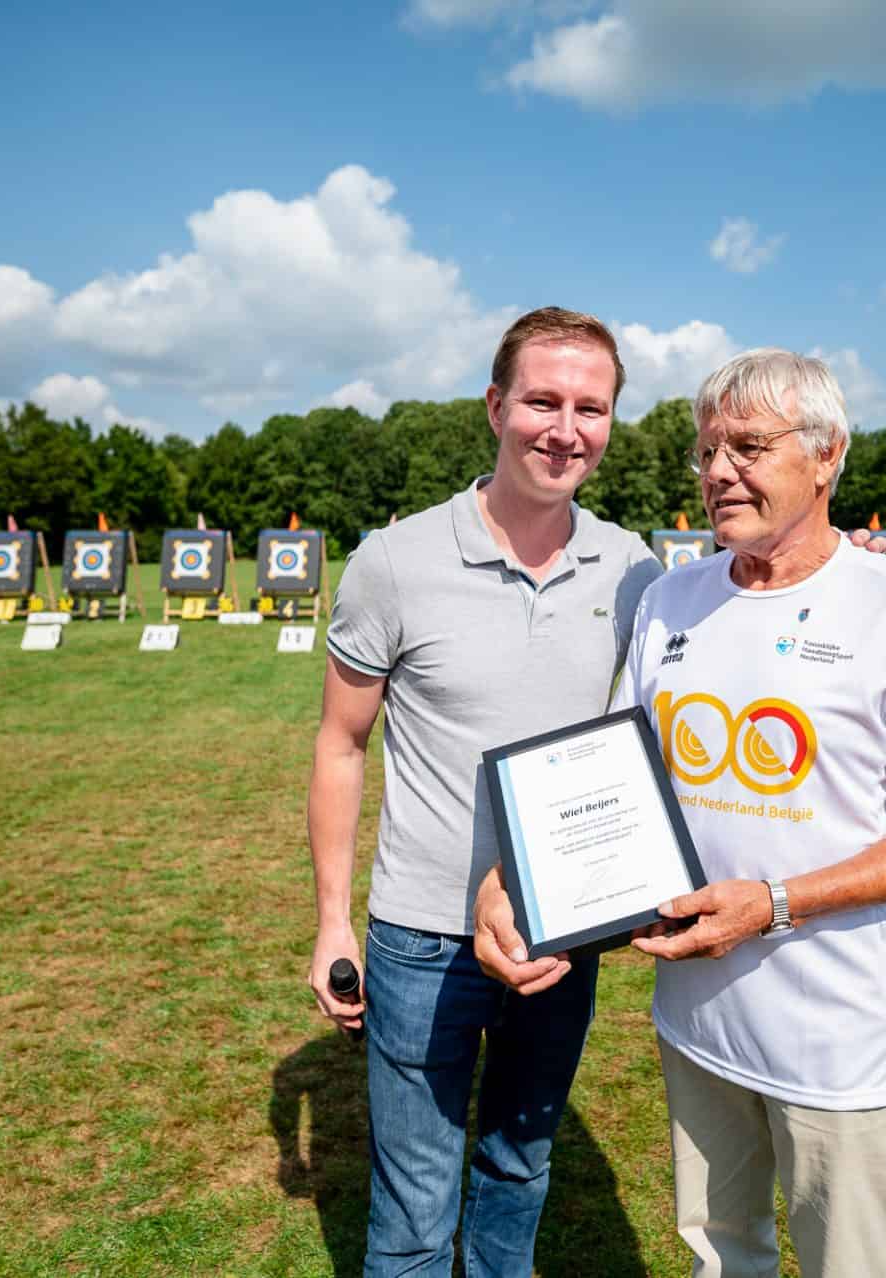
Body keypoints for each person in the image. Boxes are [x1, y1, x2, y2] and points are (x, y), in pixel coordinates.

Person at [475, 349, 886, 1278]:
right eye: (707, 450)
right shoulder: (673, 600)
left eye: (748, 447)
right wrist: (517, 879)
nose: (719, 471)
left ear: (828, 455)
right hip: (696, 1024)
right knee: (721, 1259)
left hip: (831, 1039)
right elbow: (608, 772)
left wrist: (776, 902)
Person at [306, 307, 663, 1277]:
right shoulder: (396, 560)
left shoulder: (637, 570)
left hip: (561, 931)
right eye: (542, 400)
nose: (565, 428)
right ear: (496, 405)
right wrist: (334, 923)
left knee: (519, 1172)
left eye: (591, 407)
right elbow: (341, 745)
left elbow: (651, 743)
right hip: (422, 938)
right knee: (415, 1216)